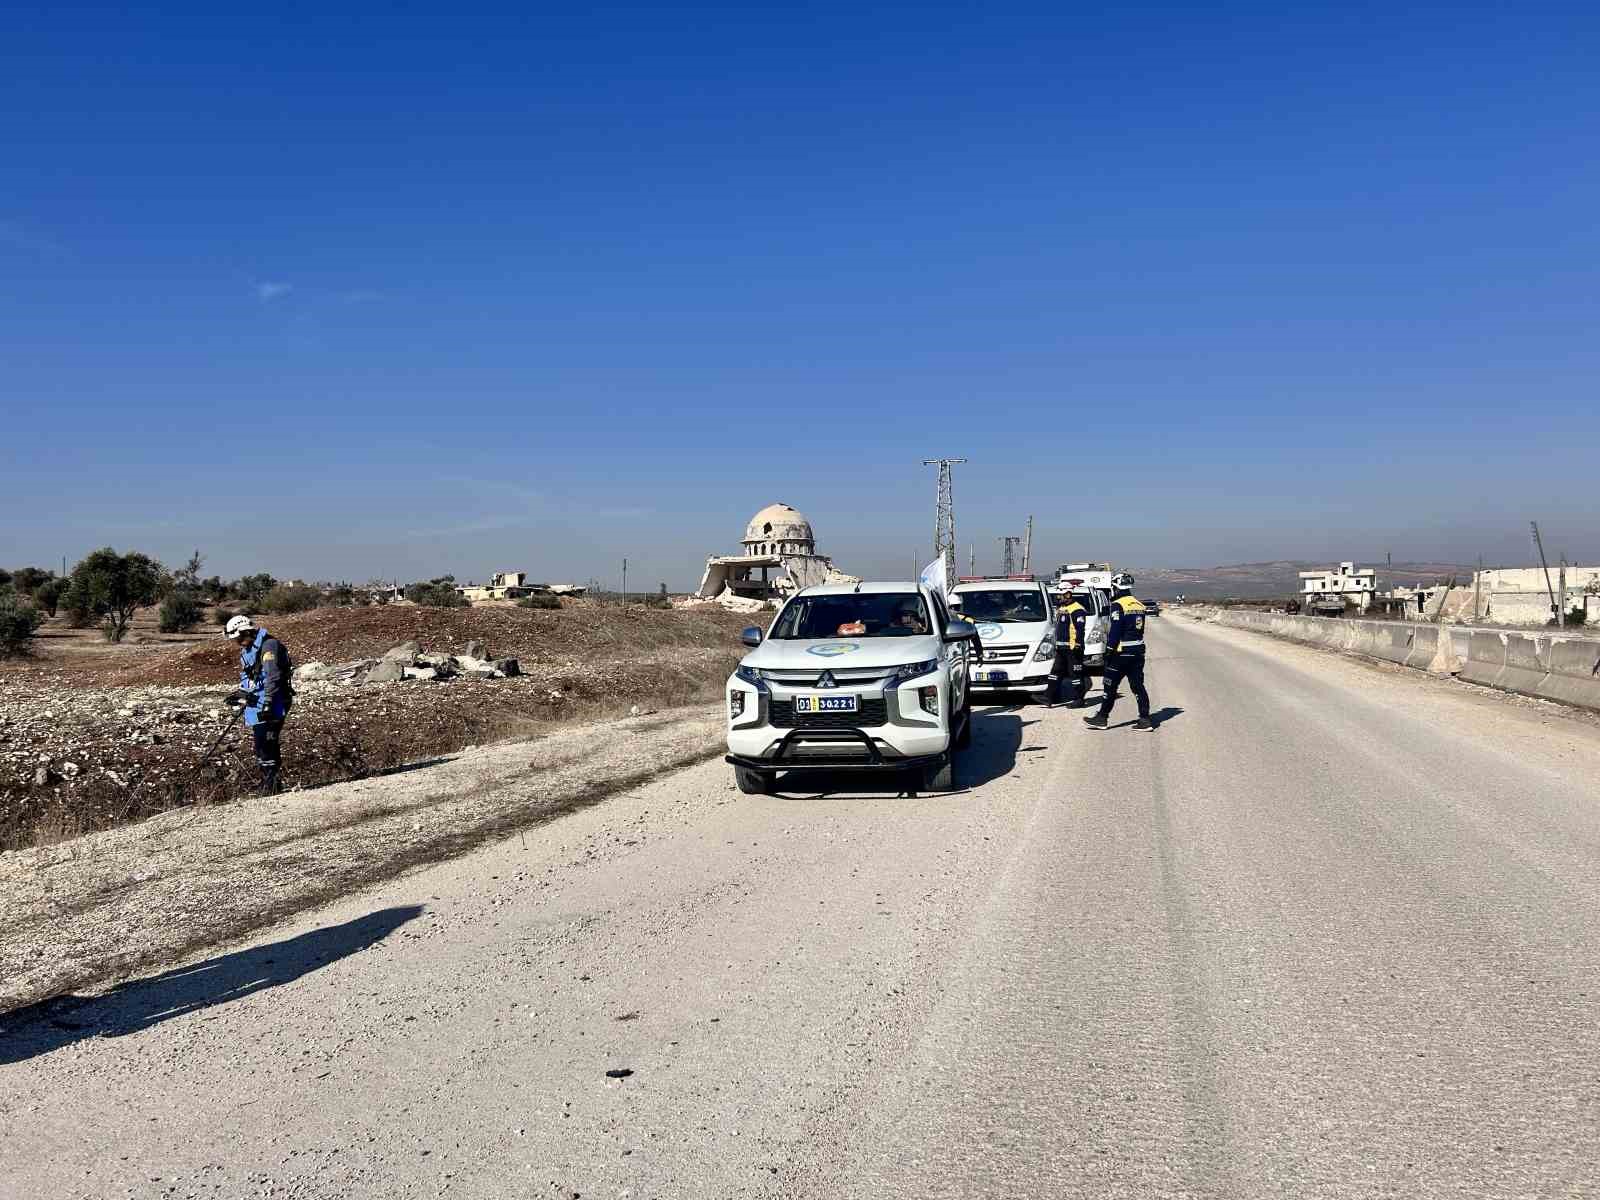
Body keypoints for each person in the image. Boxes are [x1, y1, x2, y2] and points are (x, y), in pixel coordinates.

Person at [224, 614, 294, 793]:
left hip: (274, 701)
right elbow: (252, 678)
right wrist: (241, 694)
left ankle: (272, 783)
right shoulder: (247, 651)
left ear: (246, 631)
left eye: (239, 638)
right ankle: (269, 781)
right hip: (258, 703)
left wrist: (269, 702)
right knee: (260, 744)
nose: (237, 642)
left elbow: (273, 676)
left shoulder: (269, 646)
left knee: (266, 743)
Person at [1083, 574, 1153, 731]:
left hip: (1120, 653)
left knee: (1109, 685)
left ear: (1116, 587)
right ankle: (1145, 719)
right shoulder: (1139, 605)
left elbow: (1115, 630)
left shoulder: (1118, 605)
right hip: (1137, 651)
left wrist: (1108, 651)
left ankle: (1102, 718)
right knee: (1138, 686)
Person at [1048, 591, 1089, 707]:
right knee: (1055, 672)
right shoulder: (1062, 608)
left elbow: (1080, 630)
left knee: (1075, 674)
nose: (1058, 597)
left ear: (1068, 595)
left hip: (1072, 648)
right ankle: (1048, 697)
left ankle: (1079, 699)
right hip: (1061, 647)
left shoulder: (1077, 609)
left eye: (1060, 595)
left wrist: (1078, 645)